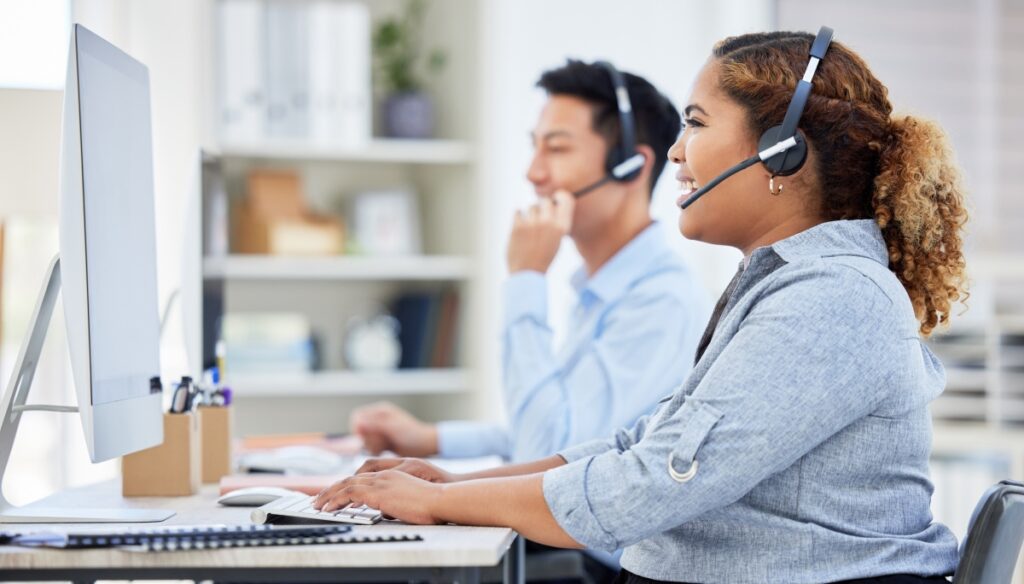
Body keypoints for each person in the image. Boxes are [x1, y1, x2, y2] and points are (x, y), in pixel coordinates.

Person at [316, 29, 969, 584]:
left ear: (782, 152)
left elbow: (655, 481)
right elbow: (644, 442)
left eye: (697, 123)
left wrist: (443, 503)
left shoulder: (834, 297)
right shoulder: (789, 284)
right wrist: (450, 489)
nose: (679, 153)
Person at [349, 60, 710, 465]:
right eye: (534, 147)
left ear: (632, 166)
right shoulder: (607, 288)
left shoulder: (659, 303)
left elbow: (548, 453)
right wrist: (432, 439)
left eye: (556, 149)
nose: (533, 173)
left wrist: (526, 277)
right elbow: (552, 425)